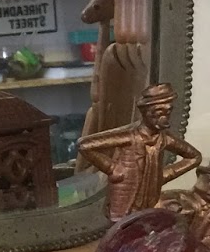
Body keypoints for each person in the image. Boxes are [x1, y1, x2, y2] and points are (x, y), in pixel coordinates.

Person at [78, 83, 201, 221]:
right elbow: (85, 146)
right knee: (120, 229)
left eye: (167, 112)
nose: (164, 117)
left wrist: (164, 175)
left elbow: (194, 157)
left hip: (149, 203)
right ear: (145, 112)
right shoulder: (129, 136)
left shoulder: (164, 138)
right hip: (124, 200)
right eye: (158, 112)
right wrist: (112, 168)